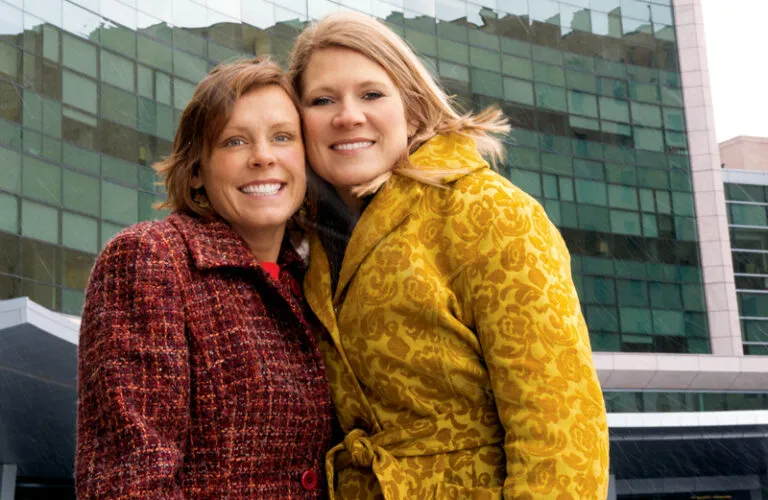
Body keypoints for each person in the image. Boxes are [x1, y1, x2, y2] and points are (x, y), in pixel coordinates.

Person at [288, 12, 610, 499]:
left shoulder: (490, 214)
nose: (347, 115)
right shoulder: (308, 245)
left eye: (372, 94)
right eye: (322, 100)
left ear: (413, 109)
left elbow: (561, 430)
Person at [76, 57, 333, 498]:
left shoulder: (312, 281)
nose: (263, 157)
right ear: (197, 170)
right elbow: (132, 481)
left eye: (283, 137)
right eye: (235, 141)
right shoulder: (153, 259)